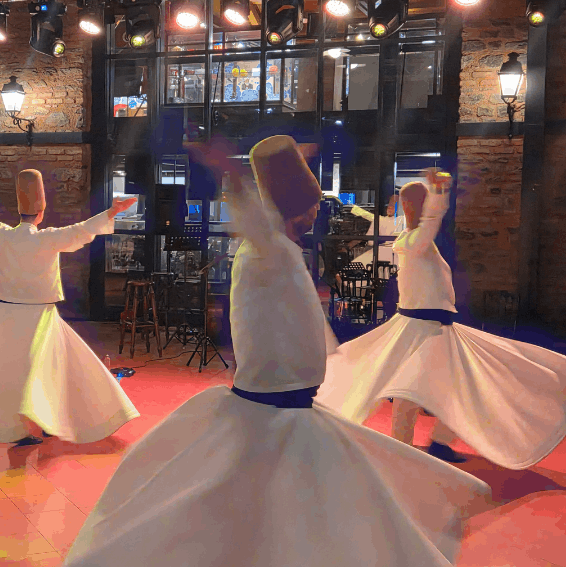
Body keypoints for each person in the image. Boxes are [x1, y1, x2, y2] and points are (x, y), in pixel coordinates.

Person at [62, 136, 490, 567]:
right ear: (293, 209)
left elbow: (265, 219)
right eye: (313, 205)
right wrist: (233, 174)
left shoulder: (276, 248)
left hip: (290, 408)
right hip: (272, 414)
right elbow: (257, 217)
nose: (319, 211)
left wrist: (283, 171)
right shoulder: (269, 250)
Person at [318, 169, 566, 469]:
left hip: (435, 328)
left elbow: (431, 224)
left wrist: (437, 193)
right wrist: (438, 192)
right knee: (411, 390)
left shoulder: (416, 242)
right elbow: (432, 222)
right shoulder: (412, 242)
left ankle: (430, 444)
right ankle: (404, 449)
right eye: (409, 204)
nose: (409, 209)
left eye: (412, 204)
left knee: (450, 387)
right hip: (422, 328)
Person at [0, 169, 140, 447]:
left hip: (8, 312)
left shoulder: (4, 234)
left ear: (20, 211)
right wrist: (112, 211)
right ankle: (48, 420)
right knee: (51, 367)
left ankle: (37, 420)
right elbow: (82, 230)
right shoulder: (48, 238)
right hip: (40, 314)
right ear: (42, 212)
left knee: (7, 368)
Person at [349, 194, 403, 266]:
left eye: (393, 205)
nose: (390, 207)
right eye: (389, 204)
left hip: (391, 254)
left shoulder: (402, 220)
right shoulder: (381, 220)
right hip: (381, 252)